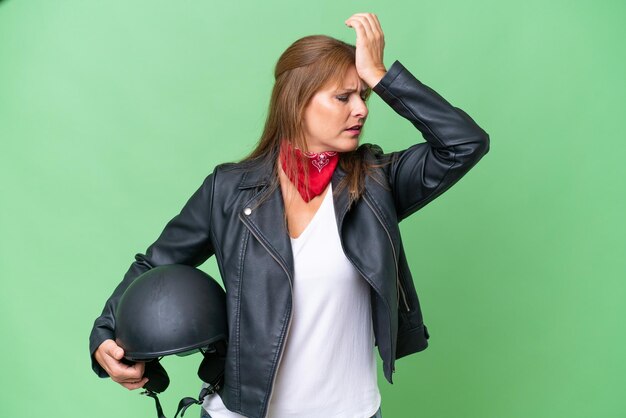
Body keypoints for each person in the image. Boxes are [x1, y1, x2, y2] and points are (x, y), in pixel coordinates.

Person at [89, 13, 489, 418]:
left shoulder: (375, 184)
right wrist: (104, 335)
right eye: (342, 97)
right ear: (296, 101)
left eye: (363, 96)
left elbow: (464, 143)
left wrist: (382, 76)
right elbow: (154, 265)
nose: (361, 110)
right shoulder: (228, 189)